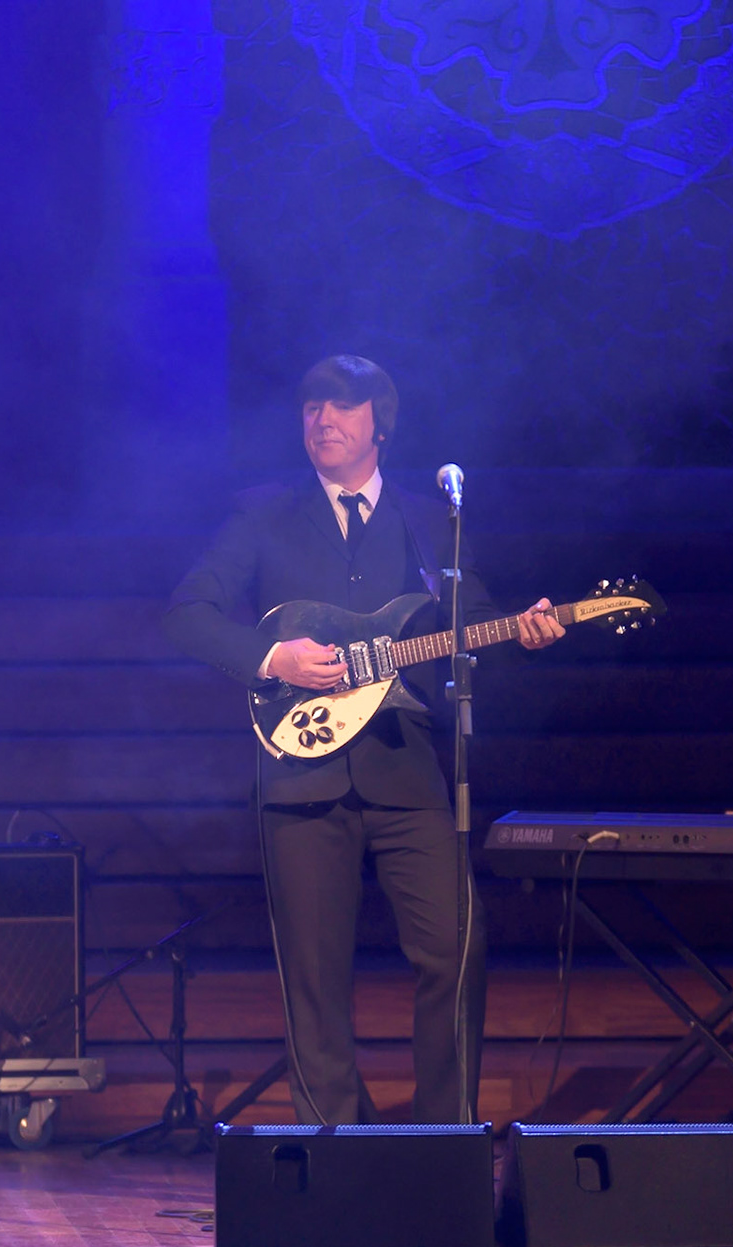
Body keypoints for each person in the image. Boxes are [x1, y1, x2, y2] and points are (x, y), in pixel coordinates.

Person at [163, 354, 562, 1125]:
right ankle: (339, 1145)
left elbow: (468, 620)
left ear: (380, 421)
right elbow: (188, 612)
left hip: (406, 768)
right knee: (313, 980)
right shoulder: (265, 515)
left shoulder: (428, 517)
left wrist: (526, 627)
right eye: (312, 406)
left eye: (341, 407)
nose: (322, 420)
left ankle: (444, 1138)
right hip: (298, 775)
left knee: (455, 948)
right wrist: (273, 657)